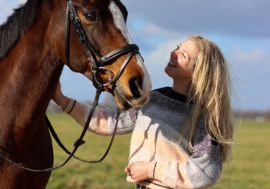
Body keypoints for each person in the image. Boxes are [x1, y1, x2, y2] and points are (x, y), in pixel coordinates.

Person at [53, 35, 234, 189]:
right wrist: (61, 99)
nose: (173, 53)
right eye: (178, 47)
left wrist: (150, 170)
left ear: (198, 72)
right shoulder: (152, 99)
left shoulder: (203, 116)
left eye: (183, 55)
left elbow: (206, 172)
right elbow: (109, 122)